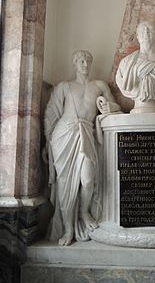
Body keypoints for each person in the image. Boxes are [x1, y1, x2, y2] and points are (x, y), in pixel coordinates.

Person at [44, 50, 120, 246]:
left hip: (86, 132)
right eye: (81, 61)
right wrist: (47, 141)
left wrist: (108, 106)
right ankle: (68, 229)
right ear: (75, 64)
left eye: (87, 60)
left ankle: (83, 211)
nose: (85, 64)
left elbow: (116, 105)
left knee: (87, 179)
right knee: (65, 184)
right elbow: (51, 113)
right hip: (64, 135)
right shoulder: (65, 86)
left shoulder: (99, 85)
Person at [116, 21, 155, 113]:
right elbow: (122, 83)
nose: (146, 32)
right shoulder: (126, 63)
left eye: (150, 30)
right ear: (137, 36)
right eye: (142, 30)